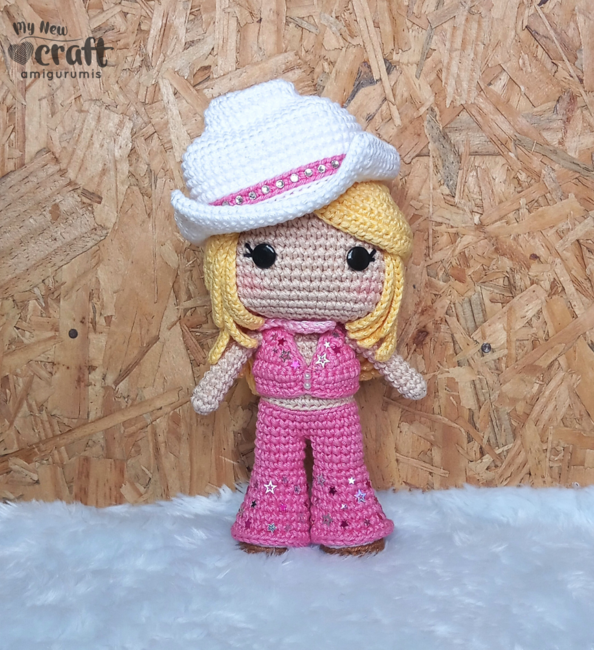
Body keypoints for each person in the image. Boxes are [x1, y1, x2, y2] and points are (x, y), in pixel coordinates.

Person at [171, 79, 427, 555]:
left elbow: (379, 352)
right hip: (277, 413)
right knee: (273, 469)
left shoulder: (346, 334)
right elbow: (230, 361)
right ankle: (272, 522)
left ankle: (348, 522)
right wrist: (212, 387)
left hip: (337, 414)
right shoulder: (263, 334)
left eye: (357, 258)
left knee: (344, 468)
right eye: (264, 256)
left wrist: (402, 374)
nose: (316, 276)